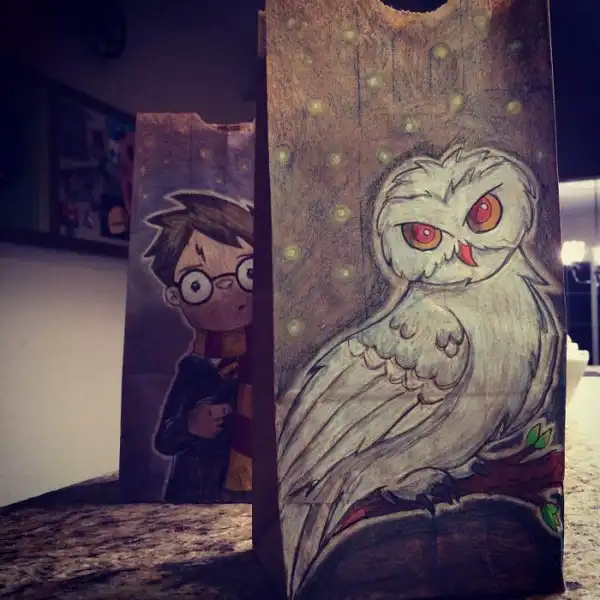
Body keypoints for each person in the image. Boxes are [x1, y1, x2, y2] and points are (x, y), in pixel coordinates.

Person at [144, 190, 253, 503]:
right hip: (197, 493)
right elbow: (165, 439)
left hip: (249, 498)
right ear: (175, 296)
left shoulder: (263, 362)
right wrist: (190, 425)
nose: (227, 287)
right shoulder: (194, 367)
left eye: (247, 272)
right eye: (198, 284)